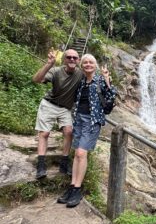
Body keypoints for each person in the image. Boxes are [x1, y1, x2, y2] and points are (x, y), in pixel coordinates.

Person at [57, 54, 116, 208]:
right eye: (85, 63)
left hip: (92, 121)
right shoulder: (81, 81)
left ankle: (77, 189)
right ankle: (72, 187)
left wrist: (108, 79)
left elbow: (111, 98)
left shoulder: (101, 80)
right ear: (82, 66)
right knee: (76, 154)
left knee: (81, 154)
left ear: (95, 65)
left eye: (91, 62)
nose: (88, 64)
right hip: (79, 120)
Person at [33, 48, 83, 179]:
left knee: (68, 132)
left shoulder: (80, 74)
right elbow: (37, 79)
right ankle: (41, 165)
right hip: (49, 104)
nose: (72, 59)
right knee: (44, 133)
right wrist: (49, 64)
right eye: (69, 57)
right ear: (64, 59)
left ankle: (64, 163)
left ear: (78, 60)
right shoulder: (56, 71)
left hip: (65, 108)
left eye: (75, 58)